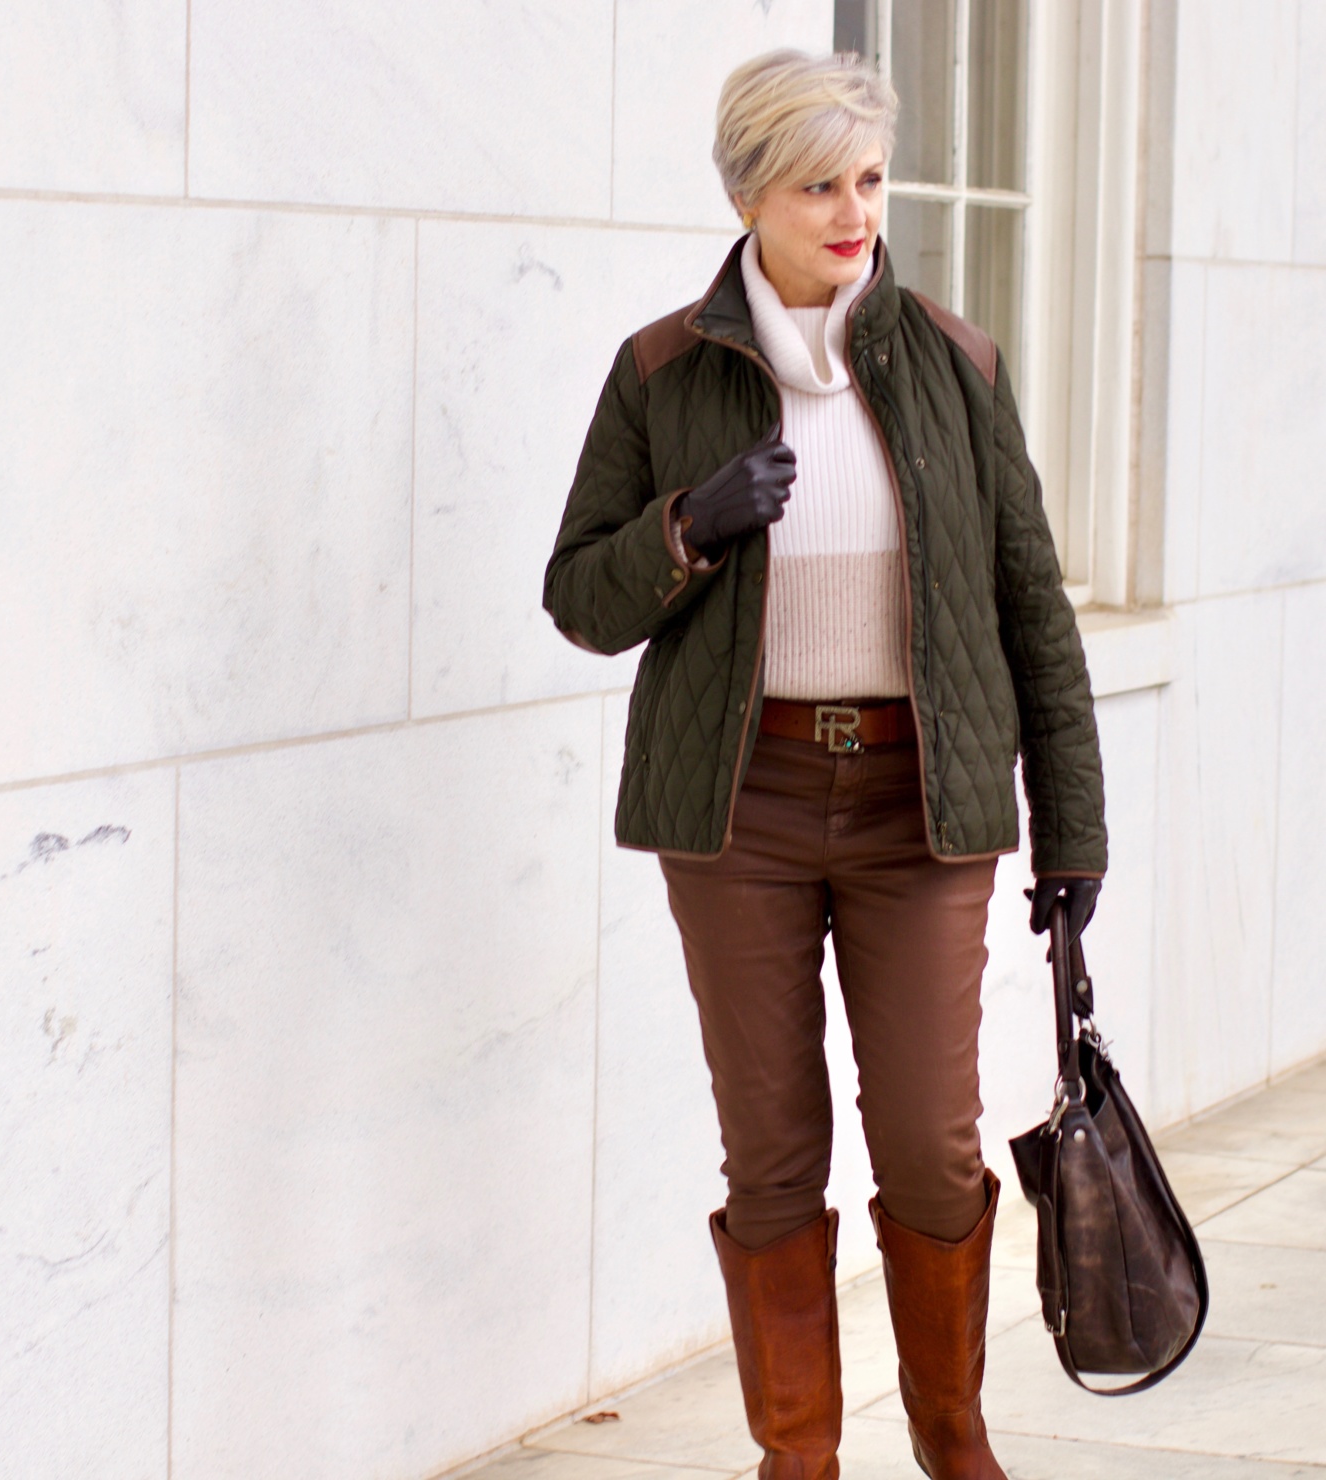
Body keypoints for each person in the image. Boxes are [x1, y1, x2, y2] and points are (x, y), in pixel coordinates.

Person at [543, 48, 1104, 1480]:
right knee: (773, 1153)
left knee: (927, 1138)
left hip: (925, 805)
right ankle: (798, 1456)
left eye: (869, 177)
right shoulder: (664, 370)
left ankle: (952, 1431)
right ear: (748, 193)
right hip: (744, 810)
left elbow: (1032, 605)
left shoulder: (957, 363)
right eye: (819, 184)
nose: (856, 212)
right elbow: (578, 599)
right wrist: (689, 524)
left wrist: (1072, 831)